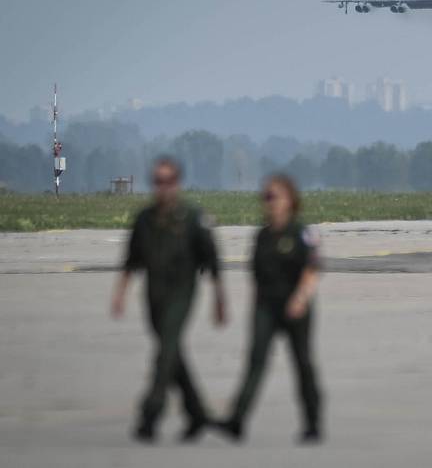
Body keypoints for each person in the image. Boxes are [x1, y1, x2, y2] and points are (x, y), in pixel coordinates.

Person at [111, 156, 227, 443]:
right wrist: (119, 295)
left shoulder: (192, 217)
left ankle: (150, 414)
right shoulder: (145, 219)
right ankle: (197, 413)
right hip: (153, 296)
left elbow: (212, 261)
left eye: (168, 181)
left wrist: (219, 300)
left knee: (165, 353)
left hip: (182, 293)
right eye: (158, 182)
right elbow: (130, 261)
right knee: (172, 353)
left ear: (177, 184)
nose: (163, 187)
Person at [217, 174, 323, 444]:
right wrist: (253, 312)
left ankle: (312, 422)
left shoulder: (303, 233)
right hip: (266, 306)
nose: (270, 202)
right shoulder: (262, 236)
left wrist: (300, 298)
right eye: (266, 197)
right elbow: (255, 276)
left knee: (302, 363)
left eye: (274, 196)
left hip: (295, 306)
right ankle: (237, 420)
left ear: (290, 200)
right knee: (255, 362)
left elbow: (312, 270)